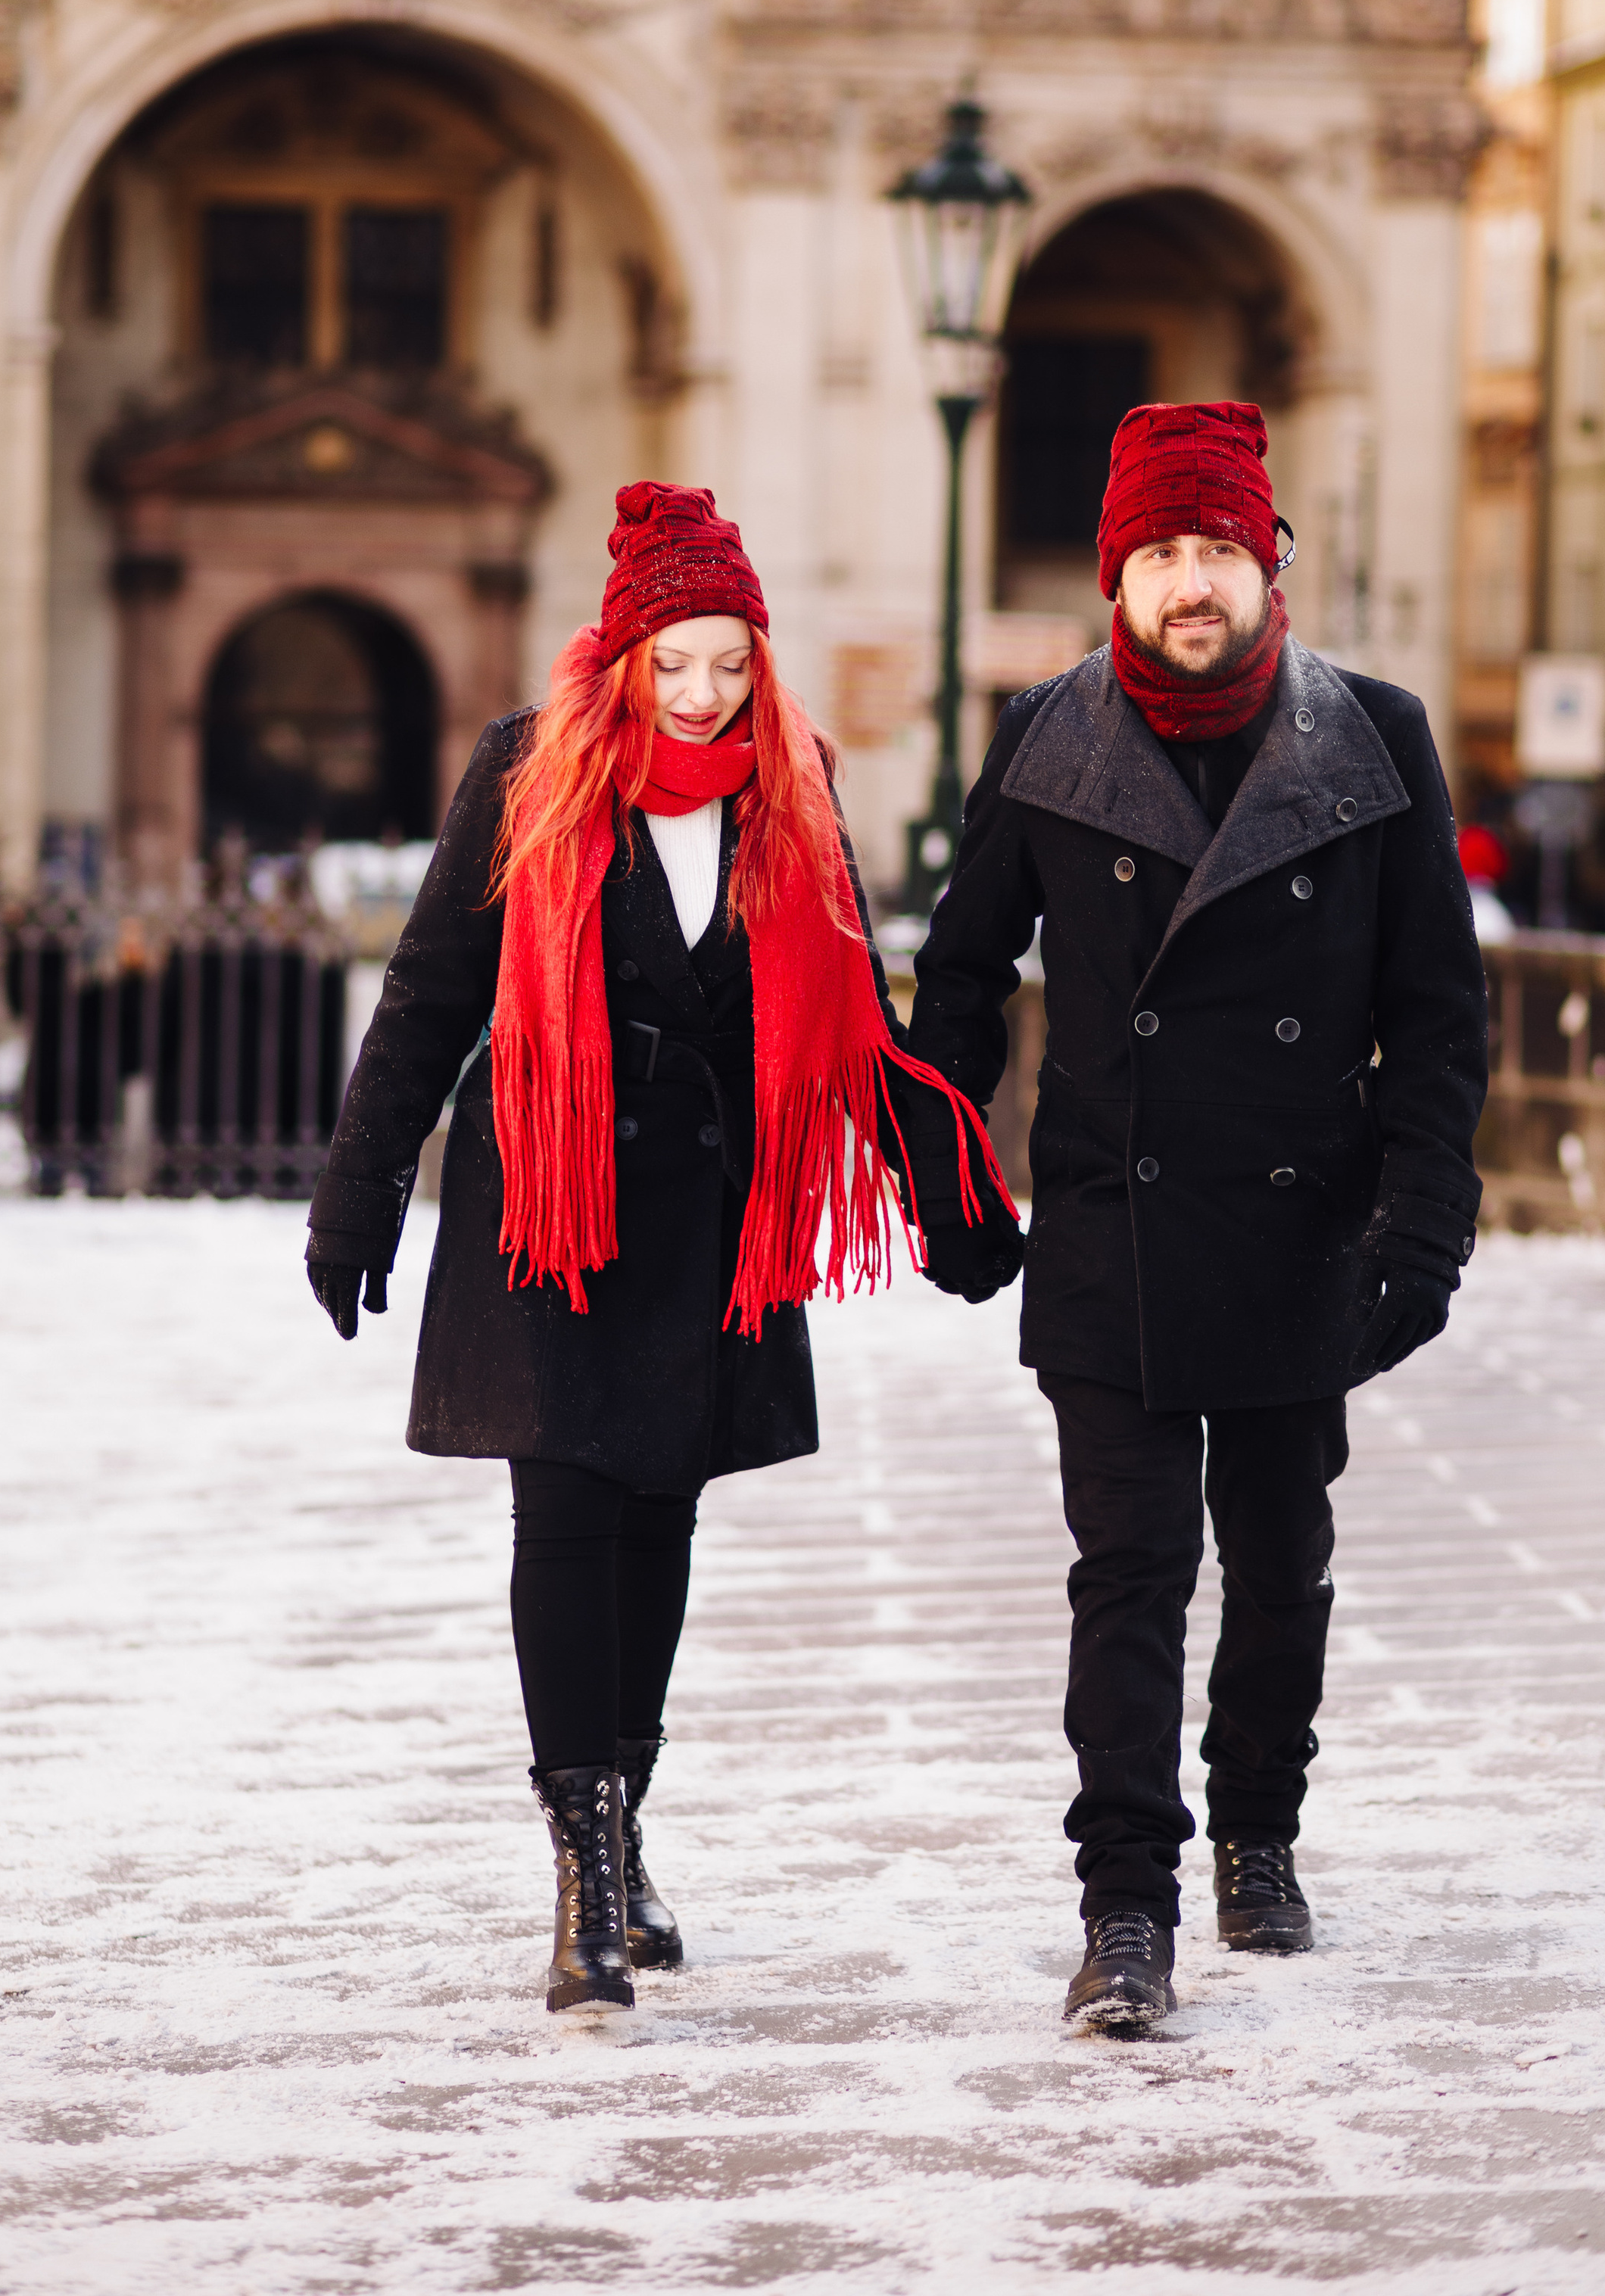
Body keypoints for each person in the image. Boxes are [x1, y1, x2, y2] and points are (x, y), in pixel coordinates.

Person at [305, 481, 1016, 2016]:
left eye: (730, 665)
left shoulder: (793, 786)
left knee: (658, 1523)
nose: (702, 694)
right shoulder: (528, 769)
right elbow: (430, 995)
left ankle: (624, 1829)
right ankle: (584, 1873)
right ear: (624, 654)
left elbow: (851, 1019)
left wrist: (942, 1188)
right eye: (675, 663)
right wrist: (358, 1194)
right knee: (565, 1515)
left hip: (706, 1214)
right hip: (553, 1206)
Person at [907, 401, 1487, 2033]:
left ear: (1266, 560)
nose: (1190, 582)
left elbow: (1438, 1013)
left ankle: (1256, 1833)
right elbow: (956, 980)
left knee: (1282, 1561)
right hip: (1115, 1226)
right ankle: (1124, 1908)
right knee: (1129, 1572)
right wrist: (949, 1182)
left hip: (1304, 1225)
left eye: (1217, 547)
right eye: (1160, 551)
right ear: (1117, 573)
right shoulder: (1045, 737)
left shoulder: (1371, 734)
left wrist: (1421, 1225)